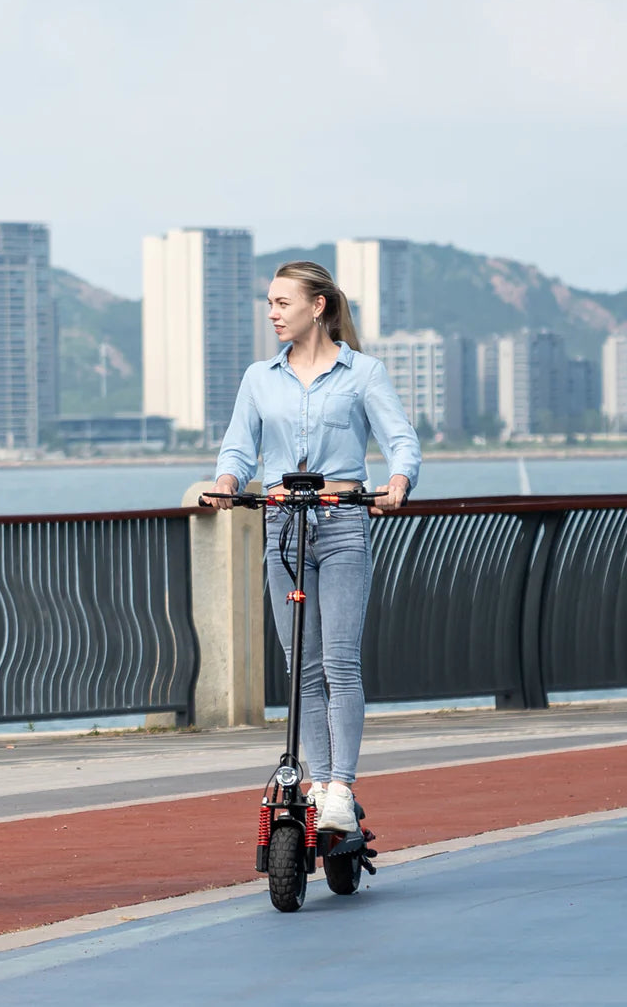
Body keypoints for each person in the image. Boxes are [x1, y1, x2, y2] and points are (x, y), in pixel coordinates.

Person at [205, 261, 420, 833]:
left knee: (340, 663)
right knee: (301, 664)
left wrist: (398, 483)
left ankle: (341, 792)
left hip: (344, 521)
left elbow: (401, 440)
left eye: (282, 303)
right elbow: (237, 449)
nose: (272, 314)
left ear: (317, 306)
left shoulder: (363, 373)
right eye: (270, 304)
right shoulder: (259, 377)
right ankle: (317, 783)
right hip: (282, 526)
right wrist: (227, 483)